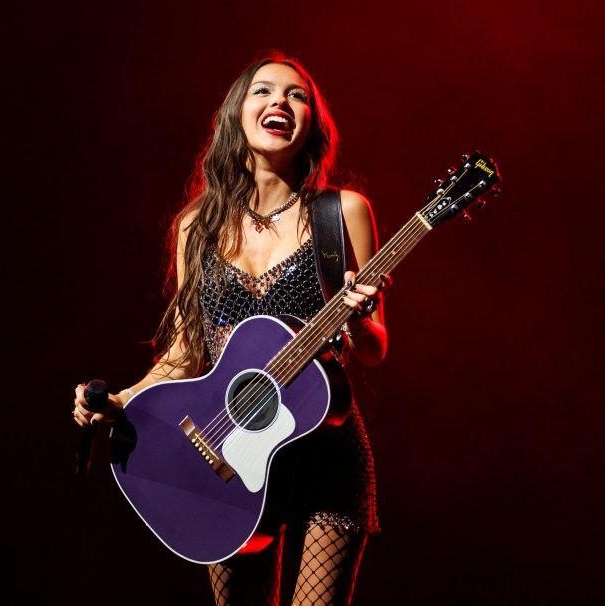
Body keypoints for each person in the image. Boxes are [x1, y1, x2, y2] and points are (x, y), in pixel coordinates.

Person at [72, 50, 390, 606]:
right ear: (235, 115)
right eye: (264, 91)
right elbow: (185, 350)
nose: (281, 103)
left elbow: (372, 350)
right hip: (225, 453)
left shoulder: (343, 212)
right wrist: (125, 397)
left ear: (310, 123)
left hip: (323, 446)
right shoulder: (199, 226)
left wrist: (362, 321)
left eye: (297, 96)